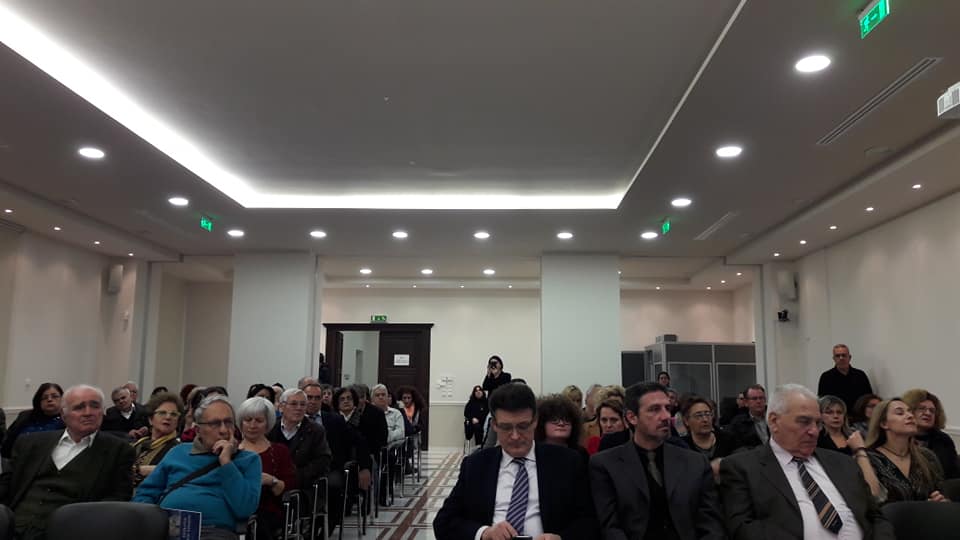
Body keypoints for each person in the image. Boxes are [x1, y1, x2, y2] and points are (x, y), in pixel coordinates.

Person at [719, 384, 894, 540]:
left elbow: (876, 517)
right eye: (804, 422)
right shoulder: (743, 468)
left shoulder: (843, 463)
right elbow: (743, 530)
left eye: (818, 423)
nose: (814, 431)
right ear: (774, 421)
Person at [433, 383, 599, 539]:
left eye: (523, 426)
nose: (515, 436)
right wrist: (484, 533)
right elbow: (444, 523)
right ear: (494, 425)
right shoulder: (476, 465)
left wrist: (560, 538)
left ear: (535, 421)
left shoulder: (566, 462)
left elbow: (590, 522)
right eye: (506, 427)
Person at [590, 383, 724, 539]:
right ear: (632, 417)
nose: (666, 416)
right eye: (654, 409)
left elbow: (711, 523)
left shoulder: (695, 463)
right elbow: (610, 527)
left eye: (667, 408)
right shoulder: (606, 465)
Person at [5, 385, 135, 540]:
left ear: (102, 412)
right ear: (63, 414)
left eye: (95, 406)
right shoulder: (31, 444)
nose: (88, 413)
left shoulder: (119, 451)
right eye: (79, 407)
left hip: (70, 531)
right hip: (11, 526)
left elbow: (117, 498)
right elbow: (7, 485)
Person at [134, 394, 260, 539]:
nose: (224, 430)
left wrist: (226, 462)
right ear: (198, 430)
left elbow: (244, 508)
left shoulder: (248, 460)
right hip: (167, 528)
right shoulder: (178, 452)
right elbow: (146, 493)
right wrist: (151, 521)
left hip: (213, 531)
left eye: (228, 422)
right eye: (215, 424)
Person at [857, 398, 947, 504]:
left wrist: (940, 500)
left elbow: (941, 492)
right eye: (900, 413)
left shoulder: (927, 456)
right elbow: (873, 500)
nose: (910, 416)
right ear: (884, 423)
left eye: (910, 412)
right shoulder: (869, 458)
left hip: (929, 514)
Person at [238, 396, 296, 540]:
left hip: (267, 511)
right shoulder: (231, 451)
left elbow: (289, 485)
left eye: (258, 421)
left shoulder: (279, 451)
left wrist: (272, 481)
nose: (252, 425)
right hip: (235, 507)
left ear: (267, 423)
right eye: (248, 420)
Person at [901, 388, 959, 479]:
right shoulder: (899, 437)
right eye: (922, 409)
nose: (928, 413)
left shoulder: (943, 439)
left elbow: (950, 473)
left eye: (932, 411)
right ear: (909, 411)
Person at [131, 391, 184, 487]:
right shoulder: (139, 443)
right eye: (162, 413)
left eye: (174, 414)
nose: (168, 417)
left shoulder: (178, 449)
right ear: (150, 420)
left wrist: (140, 470)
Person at [679, 396, 738, 479]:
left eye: (708, 414)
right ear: (686, 421)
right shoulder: (681, 447)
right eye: (698, 415)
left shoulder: (729, 440)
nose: (705, 419)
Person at [1, 382, 65, 458]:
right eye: (44, 397)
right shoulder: (25, 416)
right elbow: (8, 440)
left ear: (63, 399)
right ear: (39, 401)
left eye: (54, 396)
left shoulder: (67, 421)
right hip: (14, 459)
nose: (49, 399)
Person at [817, 344, 874, 412]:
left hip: (858, 415)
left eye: (844, 355)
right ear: (834, 358)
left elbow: (868, 398)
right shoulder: (826, 377)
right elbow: (822, 401)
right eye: (838, 356)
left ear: (849, 357)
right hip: (836, 415)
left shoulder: (860, 375)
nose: (841, 358)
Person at [535, 394, 588, 465]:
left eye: (567, 420)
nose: (561, 423)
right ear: (542, 423)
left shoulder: (581, 453)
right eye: (554, 419)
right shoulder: (534, 452)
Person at [726, 384, 769, 449]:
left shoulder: (775, 417)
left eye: (761, 398)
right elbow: (736, 447)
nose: (759, 401)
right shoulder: (738, 423)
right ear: (746, 402)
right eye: (754, 399)